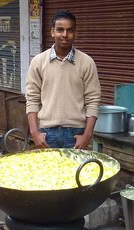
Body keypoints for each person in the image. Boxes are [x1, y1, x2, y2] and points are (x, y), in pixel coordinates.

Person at [25, 10, 101, 149]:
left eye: (69, 30)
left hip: (76, 134)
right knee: (47, 171)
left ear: (75, 33)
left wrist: (87, 136)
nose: (65, 35)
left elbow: (93, 100)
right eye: (60, 30)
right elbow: (32, 98)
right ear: (52, 32)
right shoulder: (38, 62)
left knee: (75, 171)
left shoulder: (87, 62)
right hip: (47, 134)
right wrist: (35, 133)